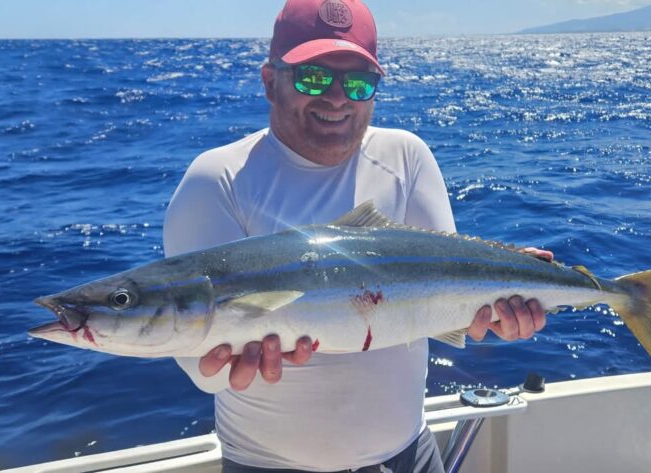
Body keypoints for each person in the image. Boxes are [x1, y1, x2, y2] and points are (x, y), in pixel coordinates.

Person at [163, 1, 550, 471]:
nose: (336, 98)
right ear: (269, 81)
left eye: (359, 83)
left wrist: (498, 313)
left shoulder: (405, 156)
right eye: (313, 78)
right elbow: (200, 366)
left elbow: (446, 298)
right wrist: (216, 368)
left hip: (408, 456)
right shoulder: (218, 179)